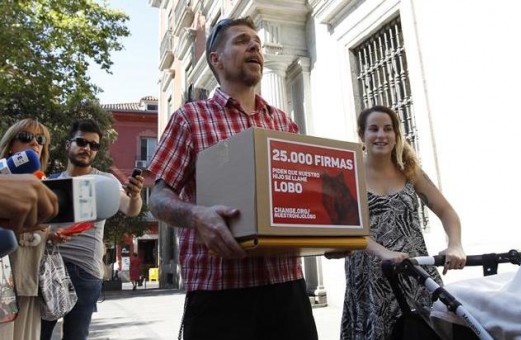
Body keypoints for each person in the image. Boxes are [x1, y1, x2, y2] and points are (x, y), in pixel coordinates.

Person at [147, 17, 317, 340]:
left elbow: (301, 198)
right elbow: (157, 198)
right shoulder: (189, 119)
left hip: (287, 293)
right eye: (241, 41)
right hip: (219, 298)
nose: (254, 46)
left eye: (257, 42)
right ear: (216, 59)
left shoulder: (283, 123)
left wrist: (327, 234)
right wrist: (197, 216)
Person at [340, 105, 466, 340]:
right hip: (371, 277)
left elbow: (446, 210)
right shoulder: (349, 173)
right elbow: (348, 229)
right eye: (374, 129)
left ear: (396, 135)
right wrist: (383, 252)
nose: (381, 135)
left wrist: (455, 244)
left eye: (388, 129)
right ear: (361, 135)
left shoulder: (410, 171)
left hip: (414, 272)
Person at [40, 119, 144, 340]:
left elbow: (130, 208)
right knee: (40, 334)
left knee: (76, 336)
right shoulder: (50, 182)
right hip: (49, 267)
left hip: (84, 272)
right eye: (81, 141)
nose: (87, 148)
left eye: (94, 145)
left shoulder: (105, 181)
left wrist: (135, 195)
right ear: (68, 144)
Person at [0, 119, 65, 340]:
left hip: (32, 282)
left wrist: (53, 235)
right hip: (4, 283)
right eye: (26, 138)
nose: (35, 144)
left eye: (40, 140)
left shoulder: (44, 184)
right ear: (10, 146)